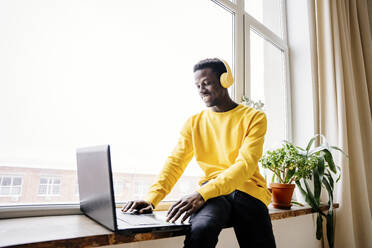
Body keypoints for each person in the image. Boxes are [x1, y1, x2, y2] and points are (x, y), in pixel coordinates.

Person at [122, 58, 276, 248]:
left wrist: (201, 194)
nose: (201, 90)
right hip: (212, 194)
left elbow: (245, 165)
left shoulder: (254, 117)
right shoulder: (194, 122)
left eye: (206, 83)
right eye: (197, 86)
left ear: (225, 80)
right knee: (201, 230)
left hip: (246, 191)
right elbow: (175, 162)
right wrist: (151, 199)